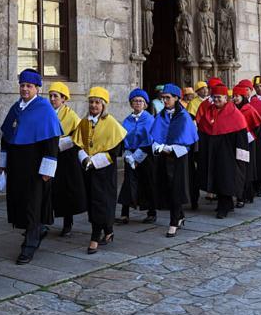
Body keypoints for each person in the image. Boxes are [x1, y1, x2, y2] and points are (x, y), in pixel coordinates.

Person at [0, 68, 62, 264]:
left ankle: (29, 246)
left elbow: (52, 142)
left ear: (37, 88)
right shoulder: (16, 108)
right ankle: (35, 230)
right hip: (16, 165)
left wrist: (47, 171)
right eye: (22, 85)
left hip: (35, 166)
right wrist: (3, 164)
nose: (25, 89)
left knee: (33, 205)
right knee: (19, 201)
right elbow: (6, 138)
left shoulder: (45, 109)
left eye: (29, 86)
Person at [71, 87, 126, 254]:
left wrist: (94, 161)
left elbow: (115, 150)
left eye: (97, 102)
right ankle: (108, 230)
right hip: (88, 170)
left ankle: (94, 237)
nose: (94, 105)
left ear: (103, 105)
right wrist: (84, 159)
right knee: (92, 202)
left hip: (104, 171)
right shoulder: (83, 123)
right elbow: (77, 144)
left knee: (102, 202)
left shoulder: (111, 124)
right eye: (91, 102)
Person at [149, 84, 198, 237]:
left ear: (176, 98)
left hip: (178, 159)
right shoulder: (161, 115)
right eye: (163, 98)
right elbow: (153, 136)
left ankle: (173, 221)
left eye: (168, 98)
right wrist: (158, 147)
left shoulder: (184, 116)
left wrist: (171, 149)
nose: (165, 101)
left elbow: (189, 141)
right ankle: (180, 216)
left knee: (176, 188)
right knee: (167, 188)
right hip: (163, 158)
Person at [195, 84, 249, 219]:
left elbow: (241, 138)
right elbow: (203, 128)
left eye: (219, 97)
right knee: (215, 177)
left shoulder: (235, 114)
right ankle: (226, 203)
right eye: (214, 97)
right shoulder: (209, 111)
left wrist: (241, 157)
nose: (216, 100)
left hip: (228, 153)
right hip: (212, 151)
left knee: (225, 178)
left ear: (226, 98)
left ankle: (224, 206)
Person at [47, 81, 86, 236]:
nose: (52, 99)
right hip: (50, 155)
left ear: (63, 99)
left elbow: (78, 136)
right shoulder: (47, 112)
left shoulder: (71, 115)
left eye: (55, 96)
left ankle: (67, 223)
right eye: (50, 96)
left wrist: (62, 142)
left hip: (66, 158)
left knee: (65, 190)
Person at [119, 89, 157, 224]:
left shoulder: (149, 119)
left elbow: (150, 139)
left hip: (145, 154)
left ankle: (151, 212)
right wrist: (129, 154)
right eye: (135, 101)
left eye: (141, 101)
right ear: (131, 103)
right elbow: (123, 136)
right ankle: (125, 213)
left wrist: (137, 156)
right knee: (128, 182)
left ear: (145, 104)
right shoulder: (127, 120)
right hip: (130, 154)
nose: (138, 103)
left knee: (148, 182)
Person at [231, 85, 261, 208]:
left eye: (237, 96)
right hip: (234, 143)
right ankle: (238, 194)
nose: (235, 98)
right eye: (233, 96)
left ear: (243, 97)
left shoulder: (249, 109)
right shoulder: (232, 109)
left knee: (246, 170)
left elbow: (257, 126)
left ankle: (244, 196)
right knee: (237, 170)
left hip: (248, 144)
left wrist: (249, 137)